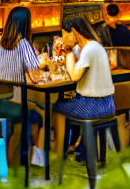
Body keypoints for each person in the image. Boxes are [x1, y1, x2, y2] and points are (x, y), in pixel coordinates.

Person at [0, 5, 47, 167]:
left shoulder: (0, 40)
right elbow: (34, 70)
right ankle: (35, 154)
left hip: (0, 98)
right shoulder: (23, 43)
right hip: (17, 98)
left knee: (31, 113)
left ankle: (23, 155)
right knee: (43, 112)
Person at [50, 16, 116, 153]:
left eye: (64, 34)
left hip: (93, 106)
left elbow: (74, 76)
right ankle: (79, 147)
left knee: (56, 107)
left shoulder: (89, 49)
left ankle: (59, 151)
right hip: (108, 103)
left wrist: (68, 53)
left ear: (73, 32)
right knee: (69, 103)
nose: (62, 39)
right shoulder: (95, 46)